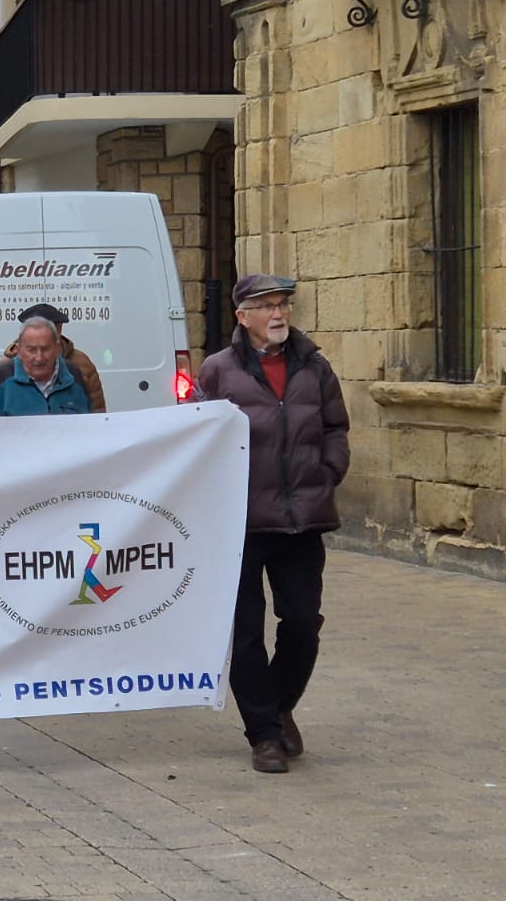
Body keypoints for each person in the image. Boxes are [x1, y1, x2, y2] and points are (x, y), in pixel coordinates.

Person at [196, 274, 350, 775]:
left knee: (303, 623)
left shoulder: (315, 367)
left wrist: (327, 473)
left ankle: (280, 707)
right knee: (245, 632)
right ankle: (263, 734)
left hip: (303, 518)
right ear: (243, 317)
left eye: (283, 304)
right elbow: (196, 435)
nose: (279, 313)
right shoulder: (219, 370)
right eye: (266, 306)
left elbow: (335, 427)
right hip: (241, 522)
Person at [0, 303, 106, 414]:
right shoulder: (1, 375)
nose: (39, 358)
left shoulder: (75, 371)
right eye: (31, 349)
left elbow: (95, 416)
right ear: (19, 348)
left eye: (45, 349)